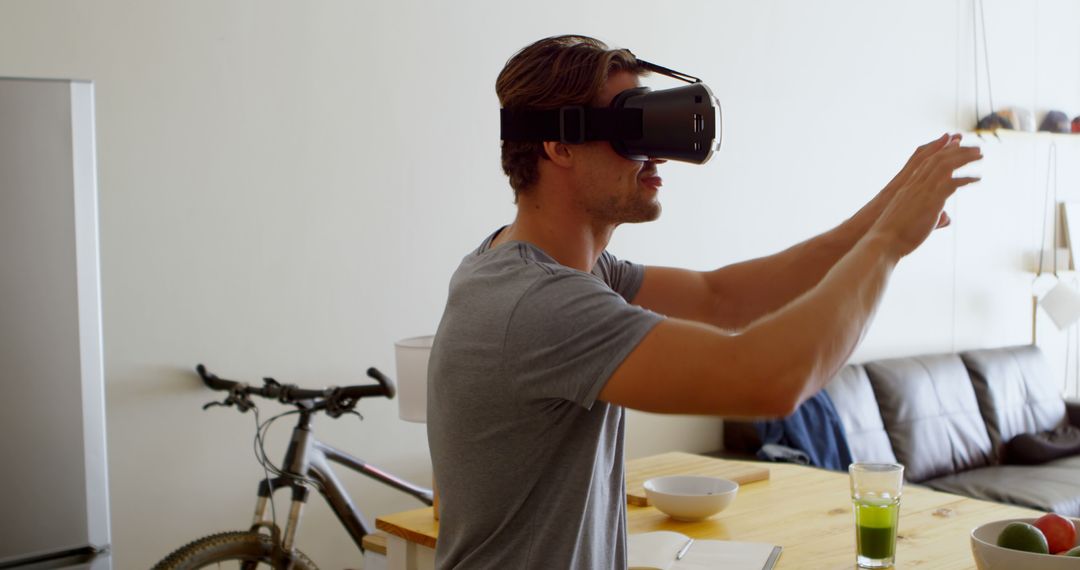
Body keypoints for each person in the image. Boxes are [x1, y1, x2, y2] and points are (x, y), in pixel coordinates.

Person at [425, 35, 982, 570]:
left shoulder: (563, 272)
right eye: (632, 128)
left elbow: (726, 298)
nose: (657, 157)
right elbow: (770, 377)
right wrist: (887, 245)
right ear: (558, 145)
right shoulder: (540, 304)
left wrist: (889, 209)